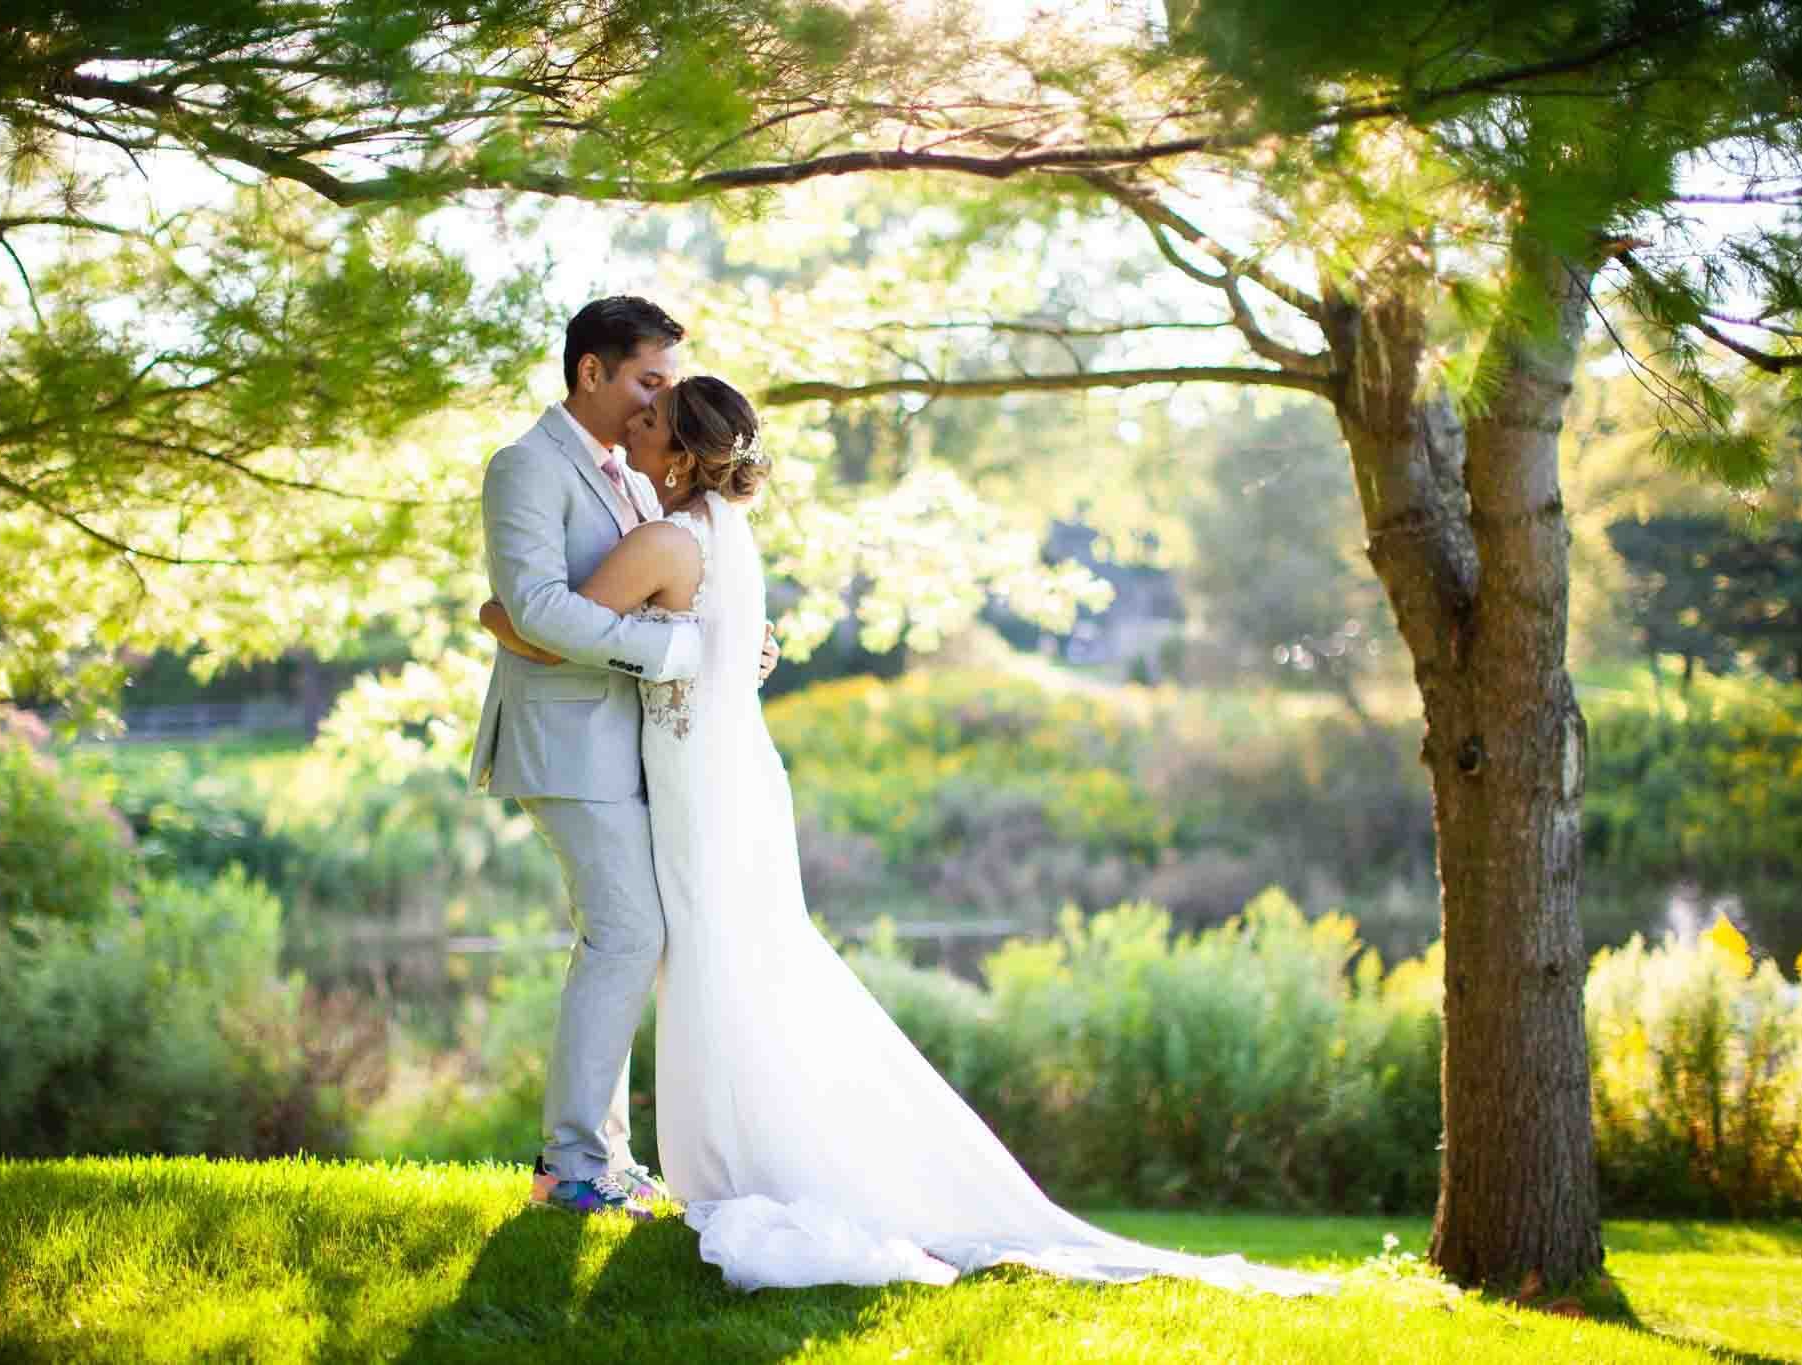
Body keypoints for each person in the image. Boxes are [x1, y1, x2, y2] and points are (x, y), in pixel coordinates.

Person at [479, 376, 1335, 1295]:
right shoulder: (727, 535)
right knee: (739, 957)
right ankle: (742, 1149)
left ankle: (738, 1161)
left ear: (683, 453)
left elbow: (552, 627)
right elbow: (725, 641)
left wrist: (498, 614)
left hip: (699, 782)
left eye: (652, 422)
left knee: (717, 959)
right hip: (733, 773)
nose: (636, 430)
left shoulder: (660, 538)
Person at [470, 297, 775, 1220]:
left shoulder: (640, 475)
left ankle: (602, 1155)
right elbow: (538, 607)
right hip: (566, 743)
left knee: (628, 938)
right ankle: (569, 1164)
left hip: (639, 747)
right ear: (590, 373)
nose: (662, 398)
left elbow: (675, 581)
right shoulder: (527, 466)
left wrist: (732, 640)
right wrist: (679, 652)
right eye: (648, 380)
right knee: (628, 934)